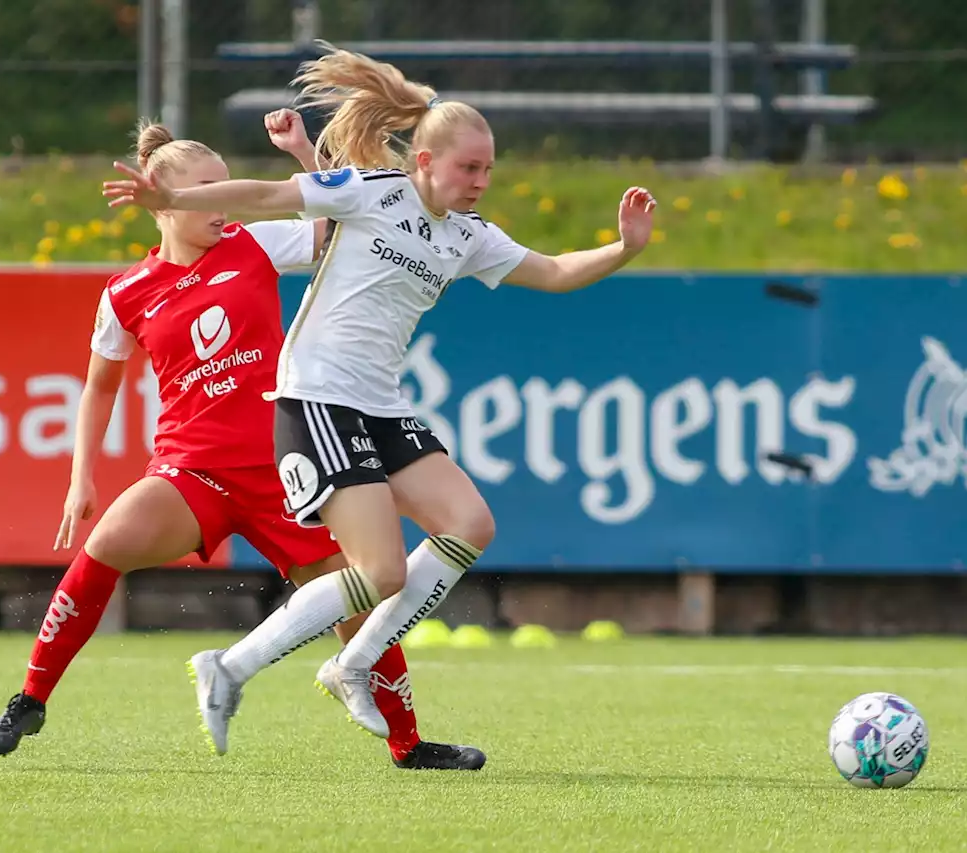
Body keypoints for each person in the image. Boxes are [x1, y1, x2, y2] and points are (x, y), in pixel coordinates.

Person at [101, 42, 657, 747]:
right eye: (468, 167)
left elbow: (551, 271)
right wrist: (173, 197)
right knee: (380, 570)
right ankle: (230, 665)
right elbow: (268, 196)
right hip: (318, 398)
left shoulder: (467, 237)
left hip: (380, 404)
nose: (481, 180)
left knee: (469, 523)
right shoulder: (369, 191)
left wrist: (624, 248)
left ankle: (352, 663)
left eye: (487, 168)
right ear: (424, 161)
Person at [0, 113, 487, 771]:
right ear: (164, 202)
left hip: (286, 468)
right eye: (205, 188)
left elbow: (344, 221)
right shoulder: (126, 292)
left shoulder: (256, 243)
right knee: (104, 545)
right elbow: (99, 387)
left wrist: (304, 153)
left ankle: (409, 743)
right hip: (192, 472)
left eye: (225, 185)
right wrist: (82, 477)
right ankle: (30, 697)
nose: (221, 200)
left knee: (360, 595)